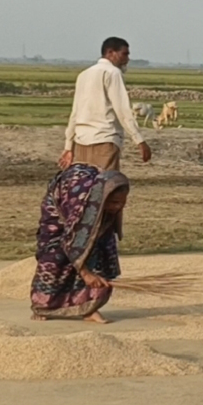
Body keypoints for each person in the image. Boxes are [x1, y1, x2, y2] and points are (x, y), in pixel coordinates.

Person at [30, 164, 129, 324]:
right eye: (113, 202)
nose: (116, 207)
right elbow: (73, 241)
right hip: (61, 209)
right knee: (55, 257)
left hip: (92, 200)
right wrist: (85, 273)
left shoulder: (106, 194)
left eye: (121, 203)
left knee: (99, 251)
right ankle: (42, 307)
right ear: (103, 197)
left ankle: (88, 309)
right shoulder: (81, 205)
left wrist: (91, 271)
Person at [59, 37, 151, 172]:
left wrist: (68, 146)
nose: (127, 59)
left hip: (81, 141)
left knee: (85, 183)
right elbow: (123, 111)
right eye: (124, 54)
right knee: (106, 183)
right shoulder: (113, 73)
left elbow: (75, 113)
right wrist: (139, 140)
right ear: (110, 52)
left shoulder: (83, 75)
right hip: (105, 140)